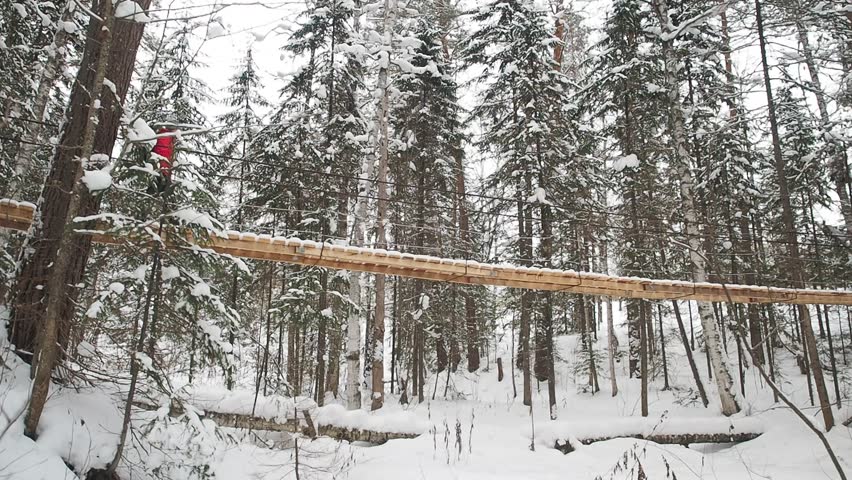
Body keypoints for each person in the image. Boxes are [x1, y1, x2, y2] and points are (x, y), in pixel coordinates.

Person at [150, 127, 176, 193]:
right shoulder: (168, 137)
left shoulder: (161, 134)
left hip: (159, 165)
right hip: (163, 167)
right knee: (160, 186)